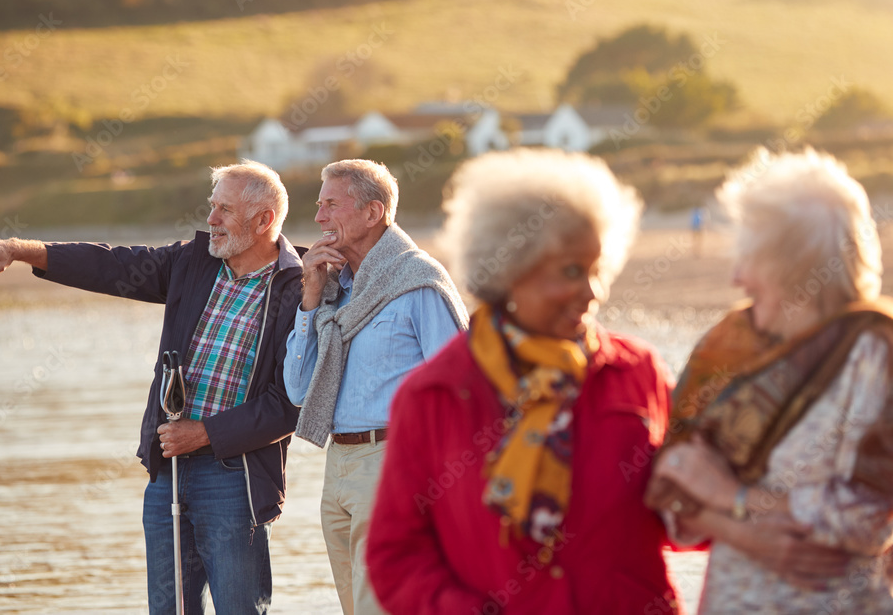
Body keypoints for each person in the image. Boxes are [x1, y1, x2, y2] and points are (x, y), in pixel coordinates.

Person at [0, 161, 304, 615]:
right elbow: (110, 264)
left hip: (237, 480)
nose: (210, 219)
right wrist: (17, 249)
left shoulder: (301, 288)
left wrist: (207, 433)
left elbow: (288, 403)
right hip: (167, 473)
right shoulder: (192, 263)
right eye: (212, 207)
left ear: (263, 220)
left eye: (224, 210)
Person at [366, 148, 682, 614]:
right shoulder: (434, 395)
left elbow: (691, 525)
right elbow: (395, 556)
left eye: (597, 270)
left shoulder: (636, 372)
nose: (593, 292)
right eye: (571, 271)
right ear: (511, 267)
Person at [646, 148, 893, 613]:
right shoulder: (730, 344)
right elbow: (671, 498)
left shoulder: (876, 352)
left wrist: (731, 496)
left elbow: (865, 522)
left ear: (797, 265)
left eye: (751, 256)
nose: (737, 277)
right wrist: (748, 531)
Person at [283, 158, 468, 615]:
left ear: (373, 212)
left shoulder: (418, 281)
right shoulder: (332, 292)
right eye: (318, 205)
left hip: (395, 463)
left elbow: (461, 388)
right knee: (357, 607)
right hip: (338, 465)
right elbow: (297, 390)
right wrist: (309, 300)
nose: (319, 217)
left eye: (331, 205)